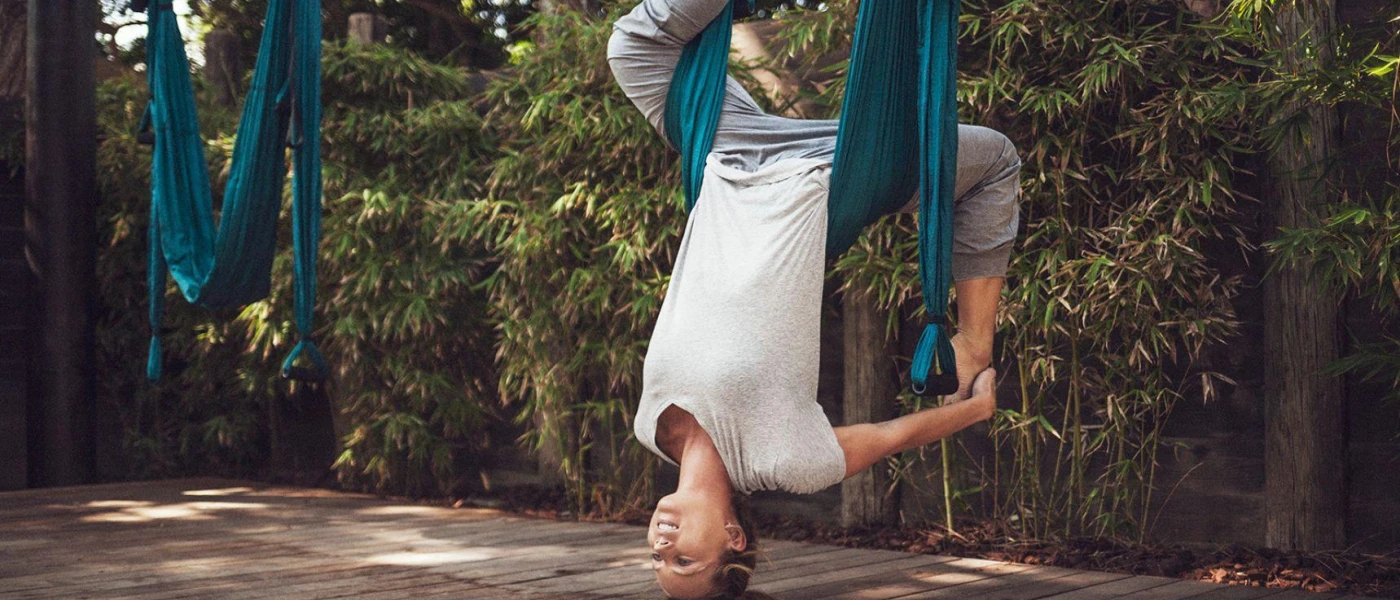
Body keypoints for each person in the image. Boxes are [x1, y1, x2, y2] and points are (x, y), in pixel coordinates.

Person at [605, 0, 1023, 595]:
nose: (661, 547)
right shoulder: (785, 462)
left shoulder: (650, 429)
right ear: (734, 537)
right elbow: (888, 437)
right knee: (994, 160)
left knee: (632, 46)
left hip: (725, 154)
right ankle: (978, 336)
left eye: (656, 562)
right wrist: (973, 401)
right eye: (684, 562)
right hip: (829, 178)